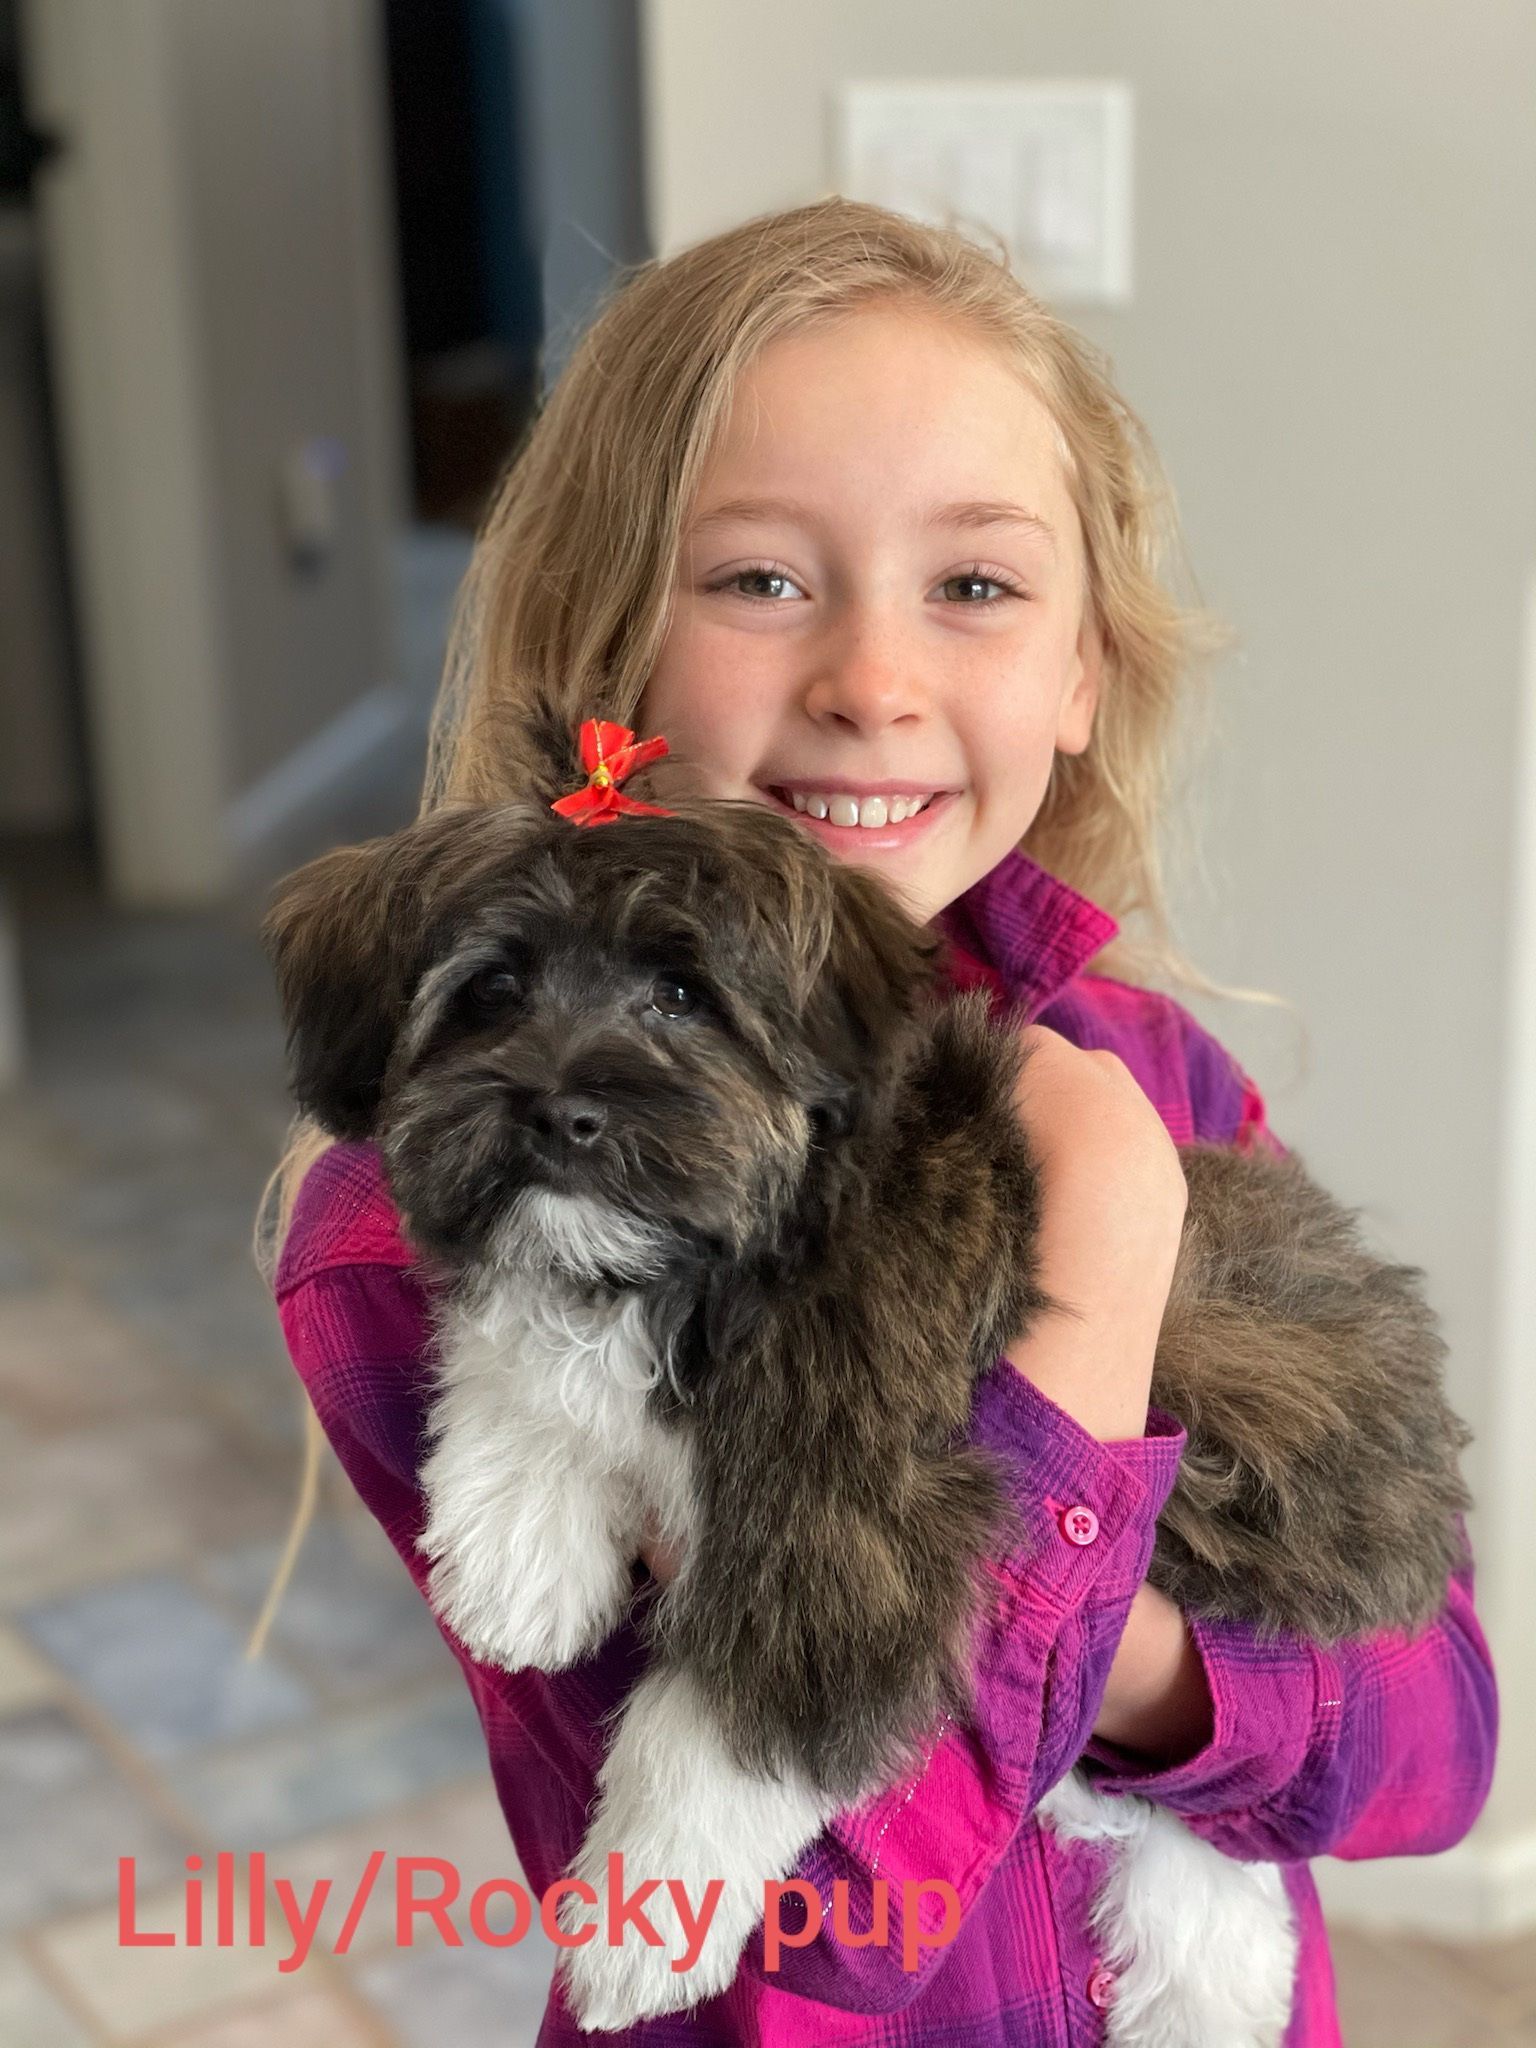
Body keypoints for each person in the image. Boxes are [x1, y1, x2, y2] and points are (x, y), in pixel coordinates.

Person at [256, 197, 1496, 2045]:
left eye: (976, 587)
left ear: (1082, 675)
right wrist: (1088, 1293)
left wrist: (1143, 1677)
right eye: (761, 578)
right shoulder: (425, 1225)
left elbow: (1435, 1753)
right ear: (610, 659)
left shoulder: (1161, 1079)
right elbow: (823, 1928)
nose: (872, 680)